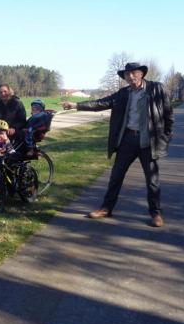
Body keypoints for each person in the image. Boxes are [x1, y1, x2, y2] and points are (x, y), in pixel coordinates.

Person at [63, 62, 174, 227]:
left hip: (148, 142)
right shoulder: (123, 93)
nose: (130, 77)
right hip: (127, 140)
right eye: (127, 75)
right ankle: (106, 208)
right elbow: (101, 103)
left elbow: (168, 115)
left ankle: (155, 214)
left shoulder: (157, 89)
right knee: (116, 176)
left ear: (141, 74)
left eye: (134, 73)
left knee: (152, 180)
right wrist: (77, 105)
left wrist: (165, 138)